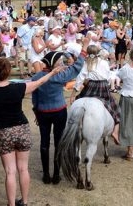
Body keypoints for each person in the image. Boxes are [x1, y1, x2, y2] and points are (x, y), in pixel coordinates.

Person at [0, 58, 62, 206]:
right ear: (8, 71)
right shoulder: (18, 88)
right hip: (22, 129)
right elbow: (39, 82)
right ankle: (25, 202)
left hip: (4, 132)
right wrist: (53, 72)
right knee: (23, 169)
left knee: (10, 172)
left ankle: (11, 204)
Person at [32, 38, 89, 185]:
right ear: (53, 64)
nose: (61, 63)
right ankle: (56, 174)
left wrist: (36, 113)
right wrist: (84, 48)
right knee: (58, 142)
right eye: (59, 61)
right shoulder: (59, 76)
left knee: (44, 143)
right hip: (59, 112)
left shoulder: (37, 77)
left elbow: (35, 98)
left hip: (43, 112)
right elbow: (77, 67)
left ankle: (46, 175)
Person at [70, 45, 121, 144]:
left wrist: (73, 94)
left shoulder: (86, 63)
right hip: (103, 87)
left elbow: (80, 79)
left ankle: (72, 125)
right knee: (114, 105)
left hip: (90, 86)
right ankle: (115, 131)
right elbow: (107, 76)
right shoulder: (104, 62)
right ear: (98, 52)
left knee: (77, 102)